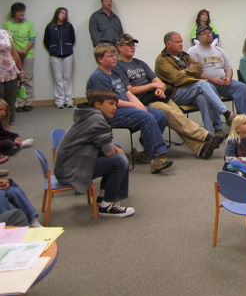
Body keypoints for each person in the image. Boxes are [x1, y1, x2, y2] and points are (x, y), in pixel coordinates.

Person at [114, 34, 218, 160]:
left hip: (157, 95)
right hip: (142, 100)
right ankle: (205, 136)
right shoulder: (118, 66)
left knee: (177, 116)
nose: (132, 47)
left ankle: (200, 149)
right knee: (171, 114)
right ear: (120, 47)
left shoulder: (140, 63)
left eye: (133, 44)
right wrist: (153, 86)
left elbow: (158, 81)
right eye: (128, 45)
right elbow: (130, 90)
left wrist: (159, 88)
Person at [86, 44, 173, 174]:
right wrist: (136, 107)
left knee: (160, 116)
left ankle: (142, 150)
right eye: (110, 56)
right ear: (100, 59)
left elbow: (127, 93)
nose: (114, 58)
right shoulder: (99, 77)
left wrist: (140, 106)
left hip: (125, 108)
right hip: (111, 113)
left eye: (114, 55)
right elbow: (110, 103)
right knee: (147, 117)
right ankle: (157, 158)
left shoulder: (115, 72)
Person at [54, 90, 134, 218]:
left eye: (116, 104)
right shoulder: (96, 120)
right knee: (120, 160)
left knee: (117, 150)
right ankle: (107, 205)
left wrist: (116, 149)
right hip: (72, 170)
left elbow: (104, 144)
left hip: (69, 165)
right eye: (111, 104)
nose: (115, 108)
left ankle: (103, 196)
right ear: (98, 105)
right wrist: (118, 151)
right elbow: (108, 152)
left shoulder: (89, 116)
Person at [155, 31, 233, 136]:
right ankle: (226, 113)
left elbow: (199, 67)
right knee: (202, 84)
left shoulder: (184, 56)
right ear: (168, 44)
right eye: (177, 42)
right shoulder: (161, 59)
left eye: (181, 41)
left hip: (189, 89)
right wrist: (190, 70)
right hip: (174, 94)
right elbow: (175, 78)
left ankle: (210, 134)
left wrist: (185, 71)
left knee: (203, 98)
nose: (181, 44)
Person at [188, 25, 246, 116]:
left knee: (242, 87)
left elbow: (228, 68)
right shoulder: (193, 51)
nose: (208, 35)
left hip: (223, 81)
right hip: (207, 83)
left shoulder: (219, 50)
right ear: (199, 36)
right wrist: (213, 79)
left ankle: (243, 119)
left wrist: (228, 78)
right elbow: (195, 73)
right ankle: (218, 126)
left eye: (210, 33)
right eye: (205, 33)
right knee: (211, 89)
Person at [4, 2, 35, 112]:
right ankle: (19, 103)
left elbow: (32, 39)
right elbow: (7, 40)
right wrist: (16, 51)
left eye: (23, 11)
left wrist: (24, 51)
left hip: (28, 54)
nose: (22, 13)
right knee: (16, 80)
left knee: (27, 78)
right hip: (13, 55)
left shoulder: (29, 24)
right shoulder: (7, 24)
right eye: (20, 11)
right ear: (14, 12)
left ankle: (28, 102)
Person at [43, 7, 76, 109]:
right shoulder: (50, 26)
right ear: (57, 13)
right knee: (58, 79)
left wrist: (67, 46)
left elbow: (73, 39)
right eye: (62, 13)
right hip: (54, 55)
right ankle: (59, 101)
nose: (64, 15)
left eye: (65, 13)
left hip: (68, 54)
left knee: (67, 79)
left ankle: (69, 100)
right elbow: (46, 40)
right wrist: (52, 49)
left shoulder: (69, 26)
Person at [0, 27, 23, 126]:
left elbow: (13, 52)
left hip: (10, 72)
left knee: (10, 103)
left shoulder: (5, 33)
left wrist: (21, 70)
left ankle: (8, 129)